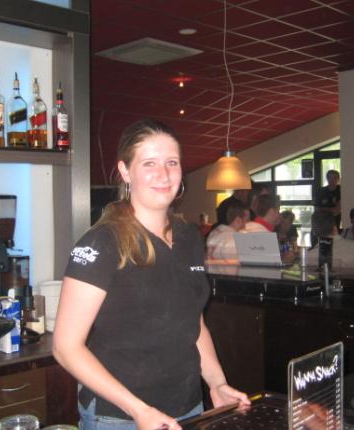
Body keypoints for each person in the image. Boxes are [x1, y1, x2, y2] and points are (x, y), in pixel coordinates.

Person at [53, 119, 249, 430]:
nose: (164, 174)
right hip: (120, 417)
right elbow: (66, 347)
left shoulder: (189, 237)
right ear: (125, 171)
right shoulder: (102, 242)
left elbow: (193, 323)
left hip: (188, 406)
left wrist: (217, 383)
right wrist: (139, 410)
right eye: (149, 163)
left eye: (172, 162)